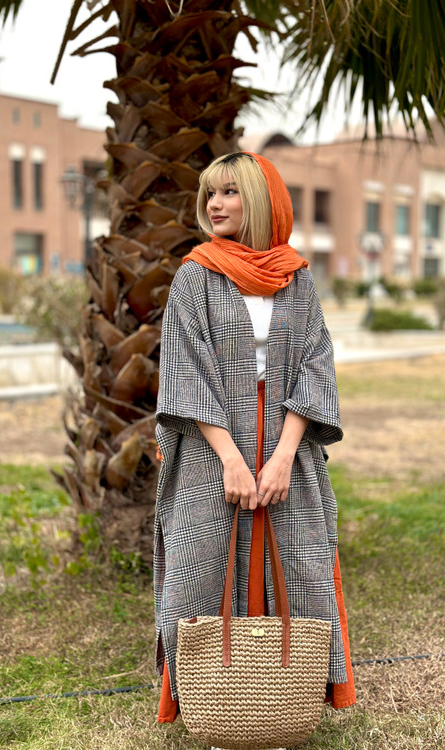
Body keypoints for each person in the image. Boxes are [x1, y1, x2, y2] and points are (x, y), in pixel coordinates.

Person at [154, 152, 356, 736]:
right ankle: (212, 705)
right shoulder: (196, 275)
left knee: (299, 564)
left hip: (288, 443)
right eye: (210, 194)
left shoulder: (296, 276)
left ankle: (282, 704)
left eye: (229, 192)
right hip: (210, 447)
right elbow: (185, 372)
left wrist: (285, 455)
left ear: (261, 200)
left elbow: (315, 364)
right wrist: (232, 460)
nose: (214, 204)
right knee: (198, 566)